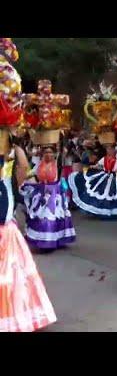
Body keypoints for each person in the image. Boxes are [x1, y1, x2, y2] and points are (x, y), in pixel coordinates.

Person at [0, 142, 57, 331]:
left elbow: (23, 169)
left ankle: (13, 317)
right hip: (6, 225)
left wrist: (14, 146)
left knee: (12, 274)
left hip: (6, 228)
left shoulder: (10, 158)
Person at [20, 145, 76, 251]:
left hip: (55, 194)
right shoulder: (39, 165)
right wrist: (24, 177)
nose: (48, 155)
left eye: (50, 152)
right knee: (42, 216)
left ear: (54, 154)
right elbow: (30, 174)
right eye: (46, 153)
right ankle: (44, 240)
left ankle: (55, 240)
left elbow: (62, 153)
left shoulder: (57, 164)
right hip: (42, 193)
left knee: (52, 215)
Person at [68, 143, 117, 217]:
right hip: (105, 175)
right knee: (99, 192)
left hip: (115, 176)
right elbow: (98, 165)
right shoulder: (105, 158)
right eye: (108, 149)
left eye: (111, 149)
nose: (109, 151)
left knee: (112, 194)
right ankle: (100, 210)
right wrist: (91, 167)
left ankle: (113, 210)